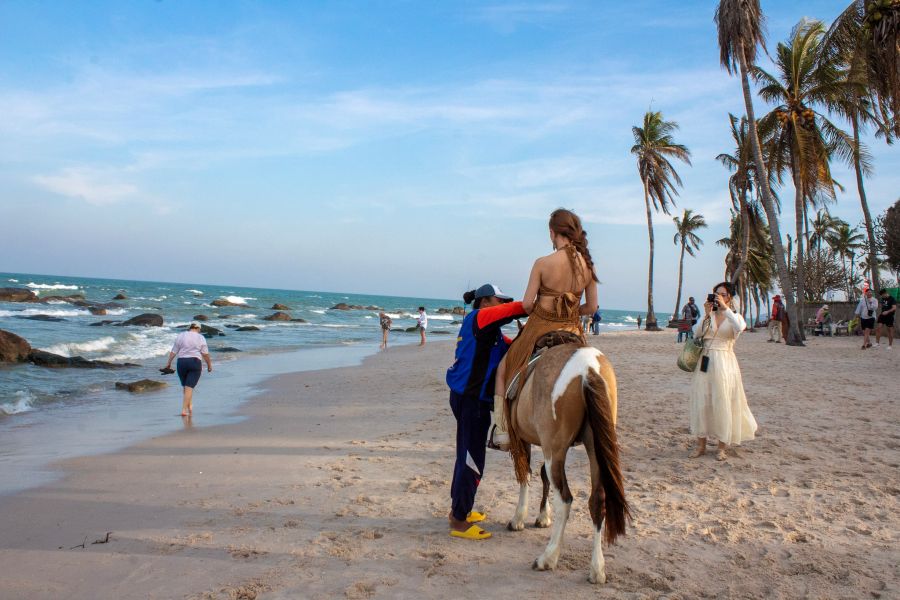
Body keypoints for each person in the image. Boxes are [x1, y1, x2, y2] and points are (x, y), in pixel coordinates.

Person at [490, 208, 599, 449]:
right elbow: (592, 306)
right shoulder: (588, 266)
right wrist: (571, 311)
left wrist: (544, 309)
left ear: (553, 233)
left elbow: (528, 304)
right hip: (573, 331)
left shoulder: (542, 263)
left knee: (502, 369)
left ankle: (502, 430)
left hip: (540, 328)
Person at [445, 284, 526, 540]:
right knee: (472, 461)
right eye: (498, 300)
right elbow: (519, 308)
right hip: (470, 401)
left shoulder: (493, 333)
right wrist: (539, 302)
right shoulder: (479, 318)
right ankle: (459, 522)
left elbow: (514, 347)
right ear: (485, 302)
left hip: (468, 399)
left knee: (465, 456)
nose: (502, 304)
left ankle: (459, 510)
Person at [689, 282, 757, 461]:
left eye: (723, 294)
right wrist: (705, 314)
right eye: (716, 294)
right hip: (705, 360)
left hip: (725, 362)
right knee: (702, 401)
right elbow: (696, 334)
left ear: (730, 297)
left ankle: (721, 446)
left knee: (723, 402)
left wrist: (726, 308)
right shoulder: (708, 316)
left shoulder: (734, 316)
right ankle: (701, 445)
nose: (718, 298)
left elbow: (740, 327)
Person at [163, 323, 213, 417]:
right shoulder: (201, 337)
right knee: (189, 387)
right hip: (194, 362)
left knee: (186, 387)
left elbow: (174, 351)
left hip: (181, 362)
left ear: (190, 328)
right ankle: (184, 409)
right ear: (198, 328)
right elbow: (205, 354)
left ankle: (189, 406)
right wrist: (209, 365)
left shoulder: (181, 335)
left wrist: (168, 363)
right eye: (199, 330)